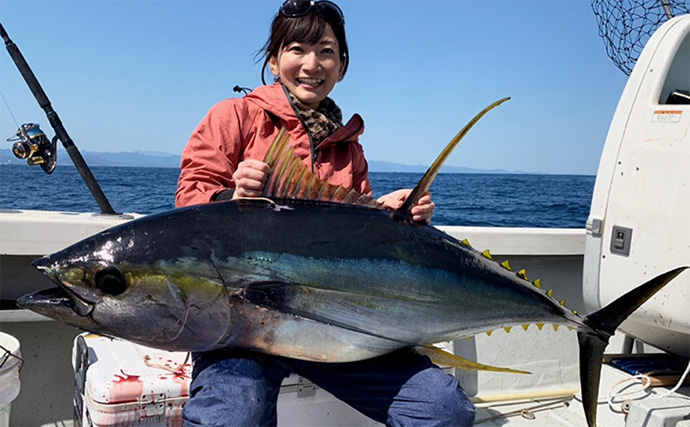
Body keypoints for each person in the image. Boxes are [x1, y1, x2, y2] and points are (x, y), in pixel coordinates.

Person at [175, 1, 476, 425]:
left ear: (342, 65)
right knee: (231, 417)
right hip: (241, 327)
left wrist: (387, 214)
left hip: (333, 326)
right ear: (274, 60)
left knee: (443, 409)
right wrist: (230, 197)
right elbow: (189, 197)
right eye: (297, 49)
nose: (311, 64)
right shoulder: (235, 116)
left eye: (327, 52)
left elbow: (358, 242)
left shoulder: (348, 147)